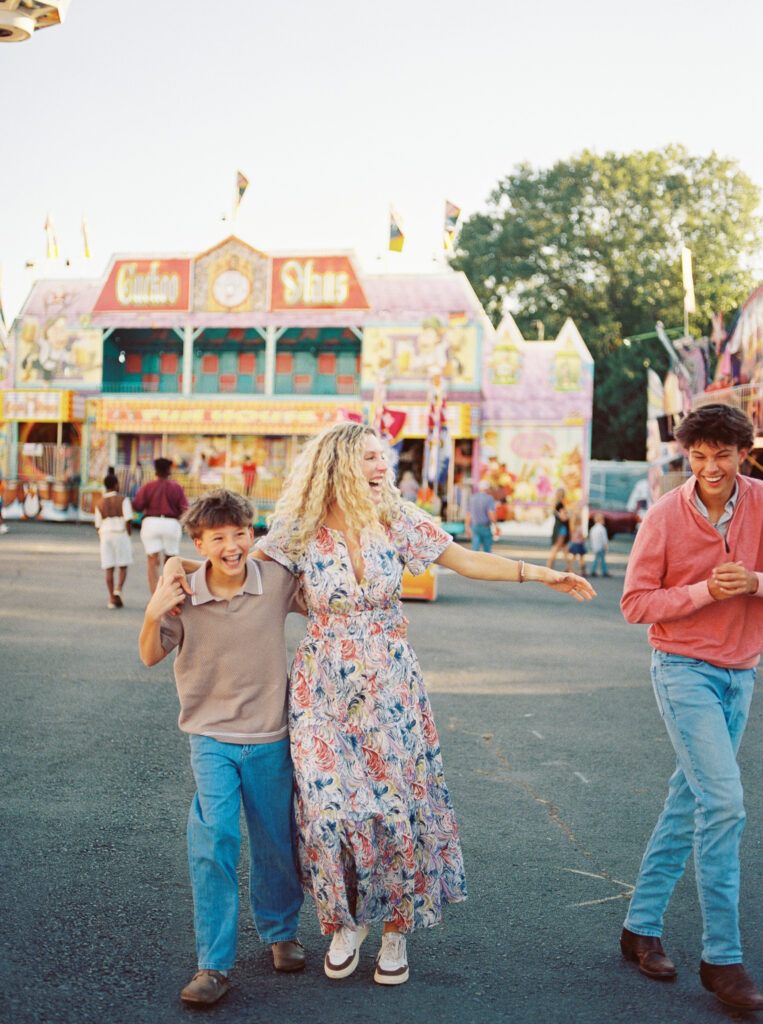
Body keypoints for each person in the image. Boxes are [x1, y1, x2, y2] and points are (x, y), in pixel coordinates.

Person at [161, 423, 593, 988]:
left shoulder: (398, 519)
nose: (381, 465)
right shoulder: (299, 529)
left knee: (395, 805)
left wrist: (540, 573)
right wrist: (177, 570)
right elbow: (238, 565)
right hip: (321, 686)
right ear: (339, 464)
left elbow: (462, 559)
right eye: (369, 456)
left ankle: (394, 927)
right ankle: (346, 920)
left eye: (381, 456)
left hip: (391, 682)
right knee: (325, 807)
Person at [619, 404, 763, 1012]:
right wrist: (706, 590)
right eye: (697, 456)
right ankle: (722, 959)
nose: (708, 468)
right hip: (682, 670)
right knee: (724, 803)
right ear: (686, 455)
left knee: (692, 798)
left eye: (721, 456)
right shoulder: (663, 516)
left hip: (741, 673)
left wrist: (755, 583)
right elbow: (634, 604)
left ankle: (639, 928)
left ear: (742, 454)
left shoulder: (759, 501)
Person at [139, 490, 306, 1007]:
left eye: (240, 534)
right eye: (218, 538)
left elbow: (329, 601)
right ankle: (213, 964)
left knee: (277, 841)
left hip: (270, 736)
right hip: (210, 738)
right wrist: (152, 611)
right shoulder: (182, 591)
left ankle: (281, 934)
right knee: (214, 840)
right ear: (199, 541)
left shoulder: (276, 580)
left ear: (251, 534)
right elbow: (149, 655)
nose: (232, 546)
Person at [132, 457, 190, 594]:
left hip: (151, 523)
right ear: (169, 471)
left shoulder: (148, 486)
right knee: (171, 562)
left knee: (152, 562)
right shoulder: (176, 487)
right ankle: (170, 595)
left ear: (156, 471)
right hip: (171, 523)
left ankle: (155, 597)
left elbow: (137, 506)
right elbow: (185, 509)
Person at [93, 468, 133, 608]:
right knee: (123, 565)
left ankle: (111, 598)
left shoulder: (100, 503)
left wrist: (101, 534)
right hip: (120, 534)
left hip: (105, 535)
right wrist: (129, 533)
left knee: (109, 568)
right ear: (116, 485)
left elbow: (97, 524)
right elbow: (128, 519)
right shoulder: (123, 500)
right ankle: (118, 590)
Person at [464, 478, 500, 552]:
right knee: (487, 551)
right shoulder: (489, 499)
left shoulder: (472, 498)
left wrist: (467, 528)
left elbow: (468, 515)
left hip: (474, 527)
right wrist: (496, 525)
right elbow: (491, 514)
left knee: (475, 549)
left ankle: (474, 563)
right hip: (485, 527)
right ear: (487, 488)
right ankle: (486, 563)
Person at [546, 487, 569, 569]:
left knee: (565, 549)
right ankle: (549, 566)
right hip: (561, 528)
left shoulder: (556, 504)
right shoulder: (560, 504)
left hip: (558, 527)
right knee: (556, 548)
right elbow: (563, 517)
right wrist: (570, 516)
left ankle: (568, 567)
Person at [588, 512, 610, 577]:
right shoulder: (602, 528)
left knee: (596, 559)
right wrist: (606, 547)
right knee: (602, 560)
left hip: (595, 546)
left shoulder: (593, 528)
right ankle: (604, 571)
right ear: (600, 520)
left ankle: (593, 570)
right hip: (601, 547)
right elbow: (604, 539)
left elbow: (591, 538)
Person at [565, 510, 586, 574]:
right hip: (579, 544)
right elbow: (582, 537)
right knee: (581, 558)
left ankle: (569, 567)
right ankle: (582, 571)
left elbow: (571, 537)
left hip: (574, 544)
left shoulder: (572, 528)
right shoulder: (580, 528)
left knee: (573, 557)